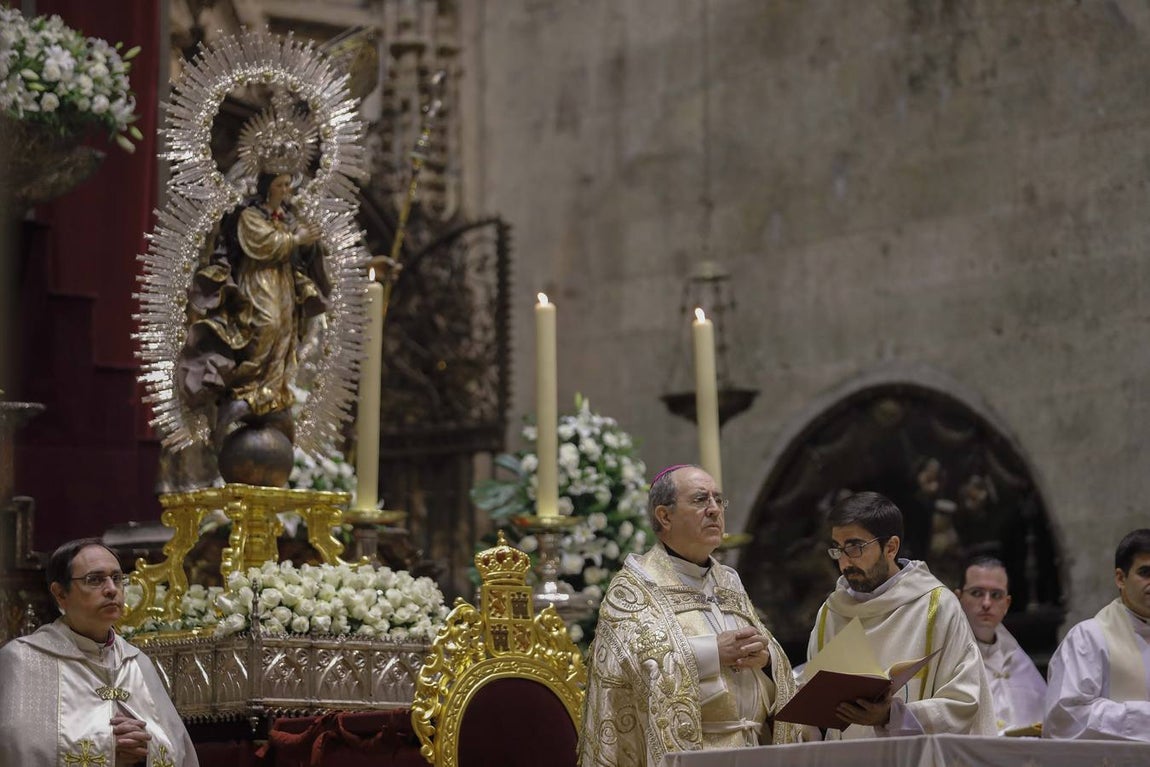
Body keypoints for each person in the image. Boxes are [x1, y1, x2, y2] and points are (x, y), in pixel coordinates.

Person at [580, 465, 800, 767]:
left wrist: (766, 660)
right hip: (695, 754)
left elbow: (769, 652)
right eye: (700, 500)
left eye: (718, 500)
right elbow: (628, 667)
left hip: (757, 749)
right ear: (664, 516)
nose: (714, 510)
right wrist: (713, 652)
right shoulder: (635, 585)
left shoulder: (728, 580)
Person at [808, 491, 995, 738]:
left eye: (854, 548)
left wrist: (890, 716)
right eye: (837, 549)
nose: (844, 563)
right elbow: (810, 707)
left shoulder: (936, 607)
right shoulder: (830, 613)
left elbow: (964, 702)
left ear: (891, 547)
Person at [0, 538, 199, 766]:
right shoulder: (24, 659)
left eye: (117, 578)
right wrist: (107, 750)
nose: (111, 590)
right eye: (94, 580)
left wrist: (145, 746)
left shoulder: (135, 661)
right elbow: (15, 747)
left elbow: (178, 746)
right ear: (60, 594)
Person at [179, 167, 328, 447]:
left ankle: (271, 391)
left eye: (288, 184)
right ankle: (248, 387)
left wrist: (308, 243)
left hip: (282, 282)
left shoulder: (285, 217)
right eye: (282, 184)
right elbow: (261, 245)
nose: (287, 190)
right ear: (268, 187)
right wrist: (295, 239)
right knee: (266, 327)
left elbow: (301, 249)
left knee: (284, 333)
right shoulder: (250, 216)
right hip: (258, 281)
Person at [1044, 528, 1150, 741]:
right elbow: (1065, 719)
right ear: (1120, 578)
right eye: (1145, 573)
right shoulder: (1089, 638)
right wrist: (1144, 719)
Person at [955, 555, 1046, 733]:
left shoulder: (1019, 660)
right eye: (977, 593)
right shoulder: (946, 655)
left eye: (996, 595)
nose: (987, 603)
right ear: (958, 598)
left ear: (1007, 603)